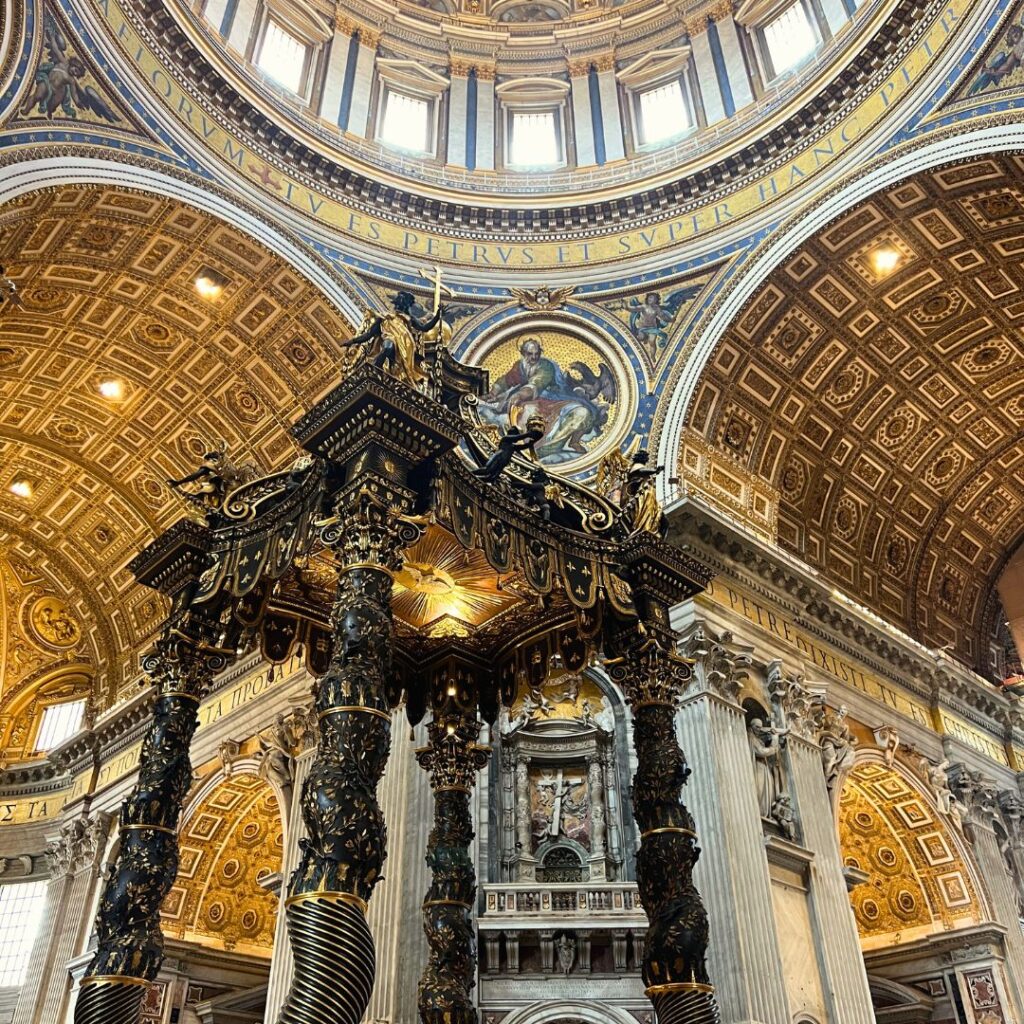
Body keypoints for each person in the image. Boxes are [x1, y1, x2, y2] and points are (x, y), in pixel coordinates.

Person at [342, 292, 442, 388]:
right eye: (399, 303)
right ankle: (374, 369)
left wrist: (437, 315)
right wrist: (352, 341)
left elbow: (425, 328)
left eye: (403, 303)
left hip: (406, 345)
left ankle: (388, 374)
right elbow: (369, 334)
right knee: (387, 347)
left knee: (400, 366)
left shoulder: (409, 319)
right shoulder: (385, 318)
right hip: (390, 338)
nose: (400, 306)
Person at [472, 417, 545, 482]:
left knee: (493, 477)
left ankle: (476, 480)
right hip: (498, 457)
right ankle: (471, 474)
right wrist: (529, 433)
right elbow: (518, 437)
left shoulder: (512, 446)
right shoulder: (506, 439)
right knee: (487, 470)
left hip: (504, 461)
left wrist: (534, 441)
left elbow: (524, 446)